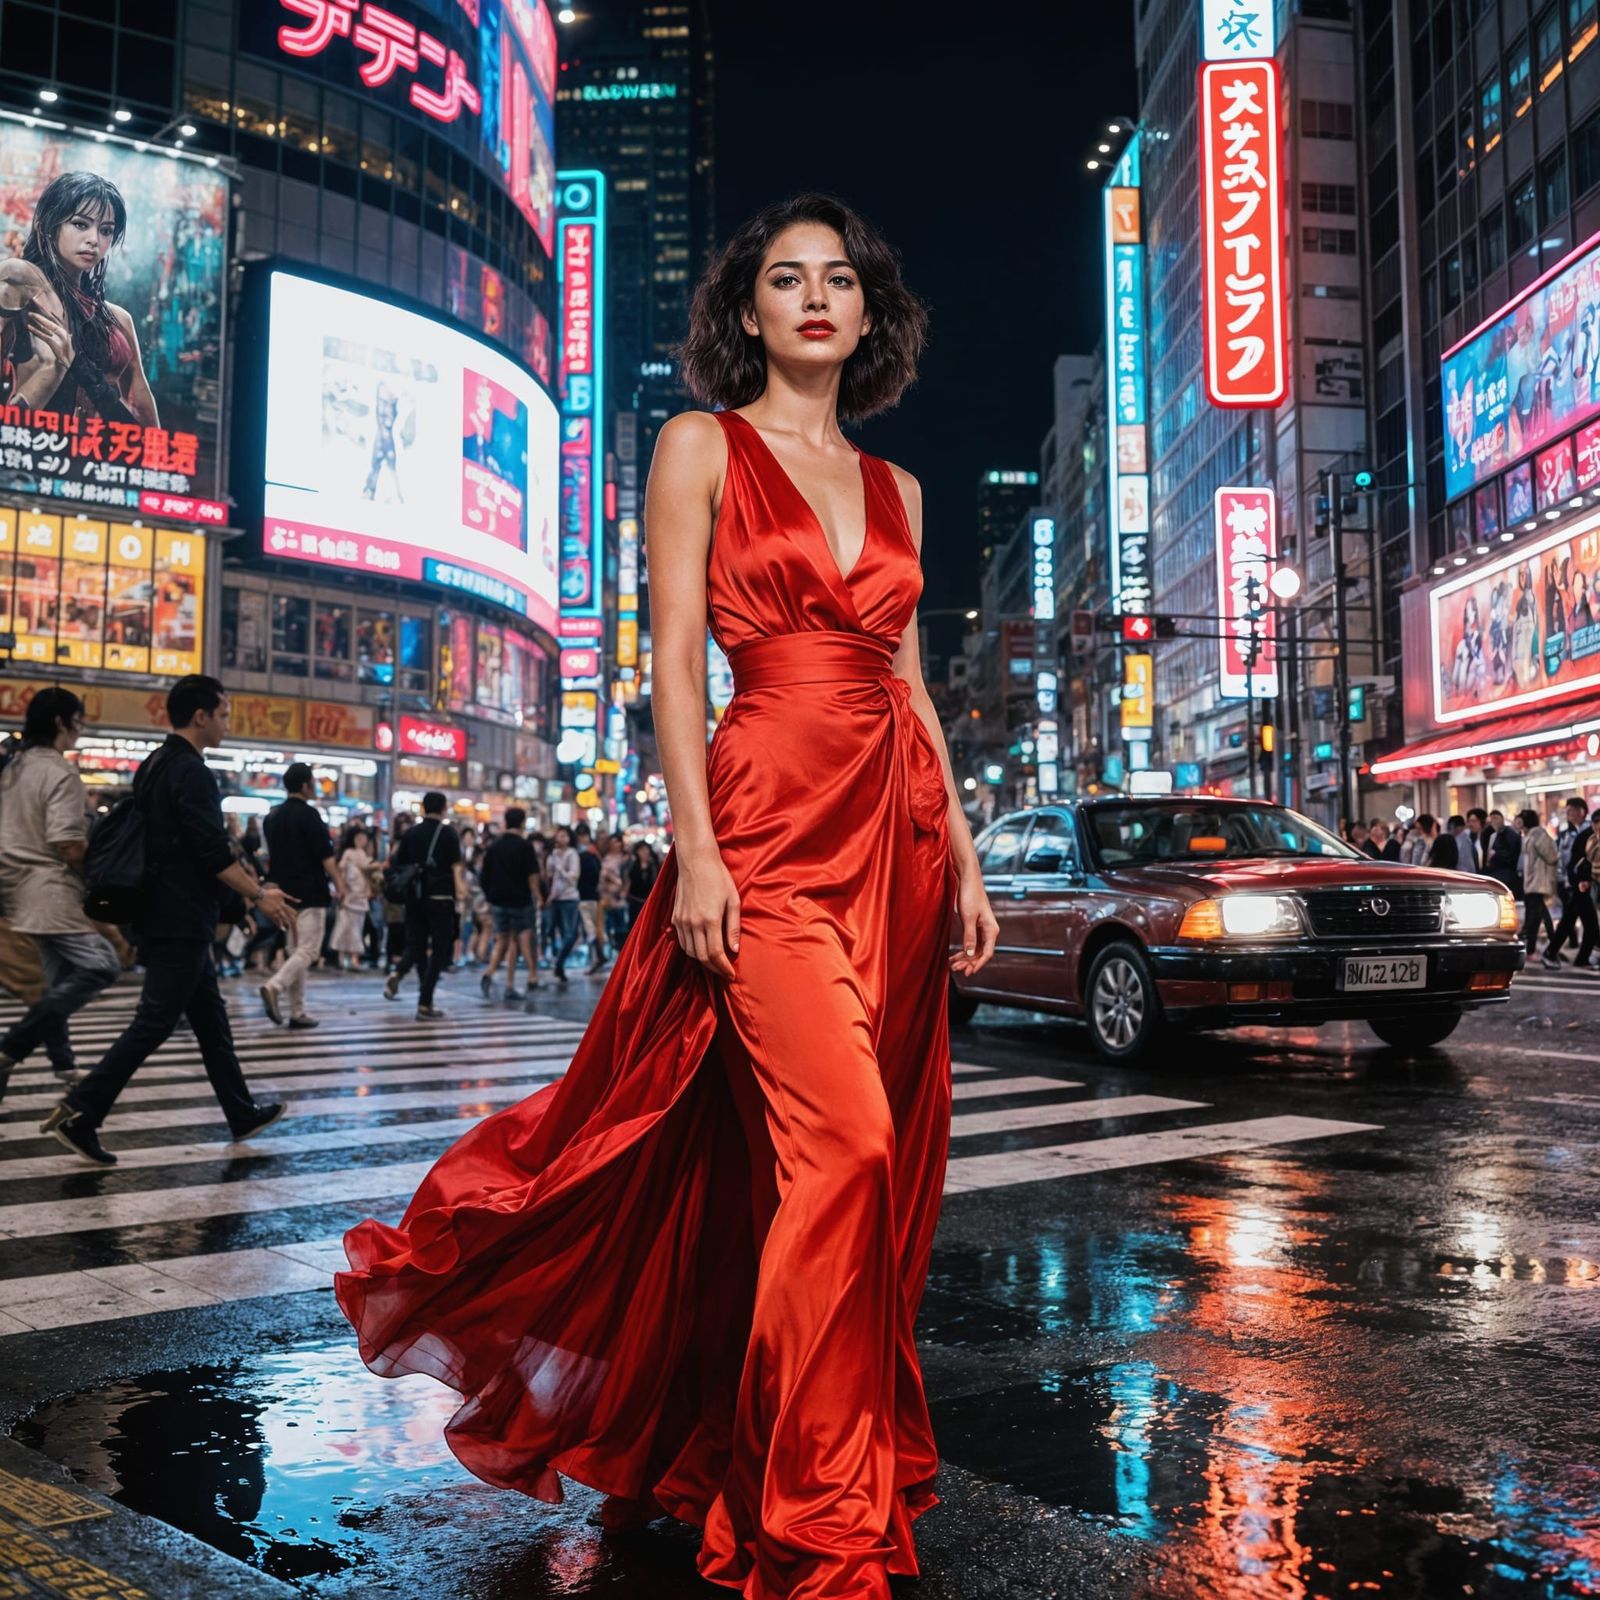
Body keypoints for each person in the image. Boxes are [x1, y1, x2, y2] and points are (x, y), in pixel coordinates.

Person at [336, 192, 999, 1597]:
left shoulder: (904, 492)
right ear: (745, 312)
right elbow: (679, 661)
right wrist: (694, 849)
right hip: (763, 827)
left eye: (839, 279)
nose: (814, 298)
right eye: (783, 279)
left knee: (806, 1178)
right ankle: (818, 1513)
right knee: (853, 1151)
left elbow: (910, 681)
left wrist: (974, 857)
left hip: (898, 840)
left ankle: (750, 1444)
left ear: (870, 314)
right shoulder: (700, 444)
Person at [40, 676, 294, 1166]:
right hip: (180, 916)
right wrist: (259, 892)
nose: (227, 721)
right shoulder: (193, 772)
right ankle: (82, 1111)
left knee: (211, 1021)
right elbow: (210, 851)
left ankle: (240, 1112)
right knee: (154, 1021)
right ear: (200, 716)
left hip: (164, 912)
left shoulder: (155, 763)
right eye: (223, 712)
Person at [0, 687, 121, 1093]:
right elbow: (67, 842)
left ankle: (63, 1063)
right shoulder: (60, 772)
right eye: (79, 721)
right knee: (103, 964)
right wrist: (101, 874)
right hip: (50, 890)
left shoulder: (13, 769)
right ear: (60, 723)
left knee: (56, 982)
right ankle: (10, 1048)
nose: (80, 730)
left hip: (17, 891)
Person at [0, 171, 158, 425]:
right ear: (51, 224)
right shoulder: (19, 282)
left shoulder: (119, 320)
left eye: (106, 230)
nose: (94, 240)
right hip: (33, 451)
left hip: (100, 457)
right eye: (80, 224)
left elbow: (144, 416)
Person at [259, 762, 341, 1029]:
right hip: (311, 891)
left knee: (295, 951)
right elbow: (325, 856)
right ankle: (274, 986)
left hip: (283, 892)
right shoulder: (310, 816)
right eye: (313, 782)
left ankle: (297, 1011)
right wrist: (340, 883)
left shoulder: (272, 817)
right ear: (305, 785)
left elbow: (271, 857)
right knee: (308, 950)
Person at [382, 791, 465, 1018]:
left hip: (414, 896)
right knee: (440, 948)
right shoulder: (448, 833)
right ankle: (425, 1001)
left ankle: (414, 988)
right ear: (444, 808)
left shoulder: (411, 833)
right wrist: (461, 891)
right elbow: (456, 866)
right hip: (441, 896)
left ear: (424, 808)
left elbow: (397, 862)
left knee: (417, 945)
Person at [477, 806, 541, 998]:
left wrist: (490, 895)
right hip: (520, 900)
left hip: (498, 900)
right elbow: (533, 875)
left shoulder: (494, 846)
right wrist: (537, 895)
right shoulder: (524, 846)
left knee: (503, 938)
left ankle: (489, 973)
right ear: (522, 822)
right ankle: (527, 978)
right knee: (522, 938)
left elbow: (484, 875)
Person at [1545, 795, 1598, 969]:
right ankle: (1555, 954)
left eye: (1573, 811)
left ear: (1583, 812)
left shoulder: (1585, 831)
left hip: (1581, 883)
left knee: (1572, 920)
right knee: (1584, 924)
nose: (1570, 814)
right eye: (1568, 812)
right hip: (1581, 883)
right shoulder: (1577, 834)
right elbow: (1574, 861)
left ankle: (1556, 954)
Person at [332, 828, 376, 972]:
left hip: (359, 896)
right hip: (349, 896)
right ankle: (342, 958)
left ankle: (353, 958)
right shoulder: (350, 854)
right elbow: (342, 869)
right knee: (344, 927)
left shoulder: (361, 854)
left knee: (356, 928)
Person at [1519, 808, 1558, 960]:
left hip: (1535, 882)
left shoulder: (1536, 835)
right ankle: (1551, 946)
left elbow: (1551, 856)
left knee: (1535, 917)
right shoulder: (1534, 835)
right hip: (1535, 883)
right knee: (1539, 915)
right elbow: (1552, 856)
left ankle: (1534, 949)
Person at [544, 823, 582, 983]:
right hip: (555, 898)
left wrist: (560, 867)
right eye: (559, 835)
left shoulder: (572, 854)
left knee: (571, 934)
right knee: (551, 930)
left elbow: (573, 876)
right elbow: (549, 875)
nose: (562, 838)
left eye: (565, 835)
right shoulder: (553, 855)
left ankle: (559, 961)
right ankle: (557, 961)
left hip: (570, 898)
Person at [574, 821, 606, 974]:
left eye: (584, 835)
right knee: (592, 929)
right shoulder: (590, 853)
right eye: (580, 836)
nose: (582, 839)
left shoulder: (589, 854)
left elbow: (596, 873)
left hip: (588, 896)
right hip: (588, 896)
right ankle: (597, 957)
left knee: (592, 929)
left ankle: (599, 956)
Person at [599, 833, 630, 951]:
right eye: (613, 842)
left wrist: (623, 891)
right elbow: (602, 877)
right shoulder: (606, 858)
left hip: (621, 896)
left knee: (622, 926)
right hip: (607, 896)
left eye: (617, 841)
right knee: (610, 925)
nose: (615, 844)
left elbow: (627, 878)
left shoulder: (626, 858)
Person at [625, 839, 660, 926]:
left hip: (650, 901)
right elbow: (626, 879)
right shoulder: (632, 865)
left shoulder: (654, 865)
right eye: (641, 850)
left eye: (646, 849)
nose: (644, 852)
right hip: (635, 900)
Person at [1487, 809, 1521, 893]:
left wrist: (1495, 854)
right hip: (1498, 874)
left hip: (1506, 875)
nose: (1494, 822)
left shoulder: (1510, 834)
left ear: (1502, 819)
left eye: (1496, 818)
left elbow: (1511, 854)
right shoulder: (1494, 836)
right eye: (1492, 820)